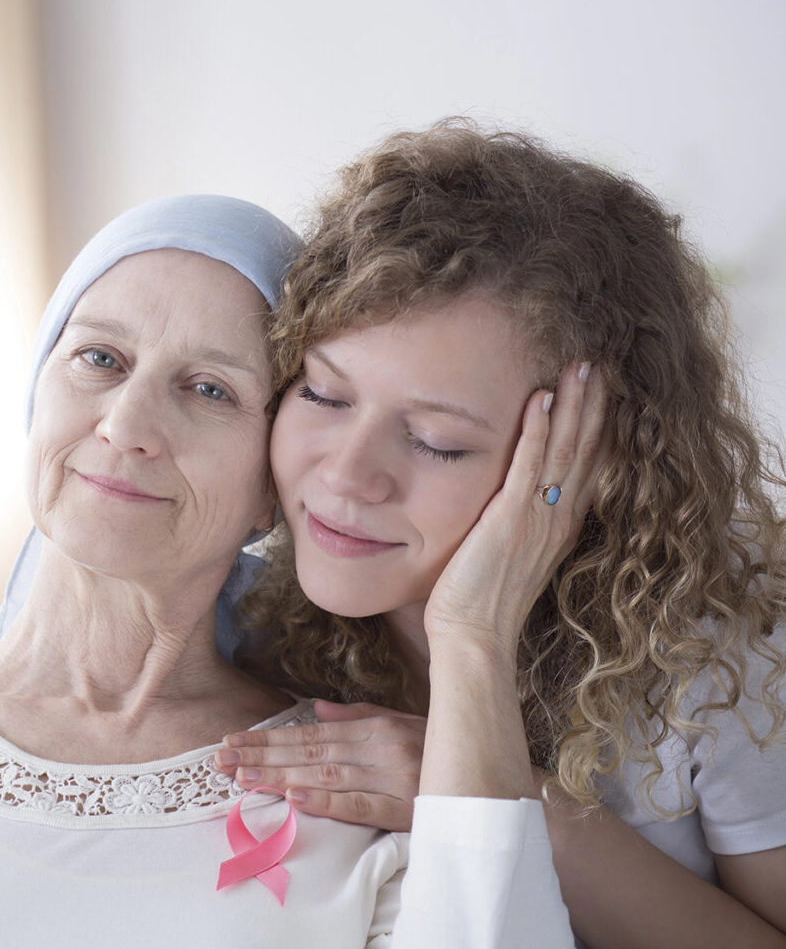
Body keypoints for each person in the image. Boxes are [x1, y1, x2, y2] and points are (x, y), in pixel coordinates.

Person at [0, 192, 577, 947]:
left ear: (273, 486)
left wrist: (474, 633)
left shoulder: (359, 789)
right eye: (99, 357)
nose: (127, 425)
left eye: (208, 389)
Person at [216, 123, 786, 948]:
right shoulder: (247, 626)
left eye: (436, 441)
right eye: (324, 397)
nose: (345, 476)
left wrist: (505, 797)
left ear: (593, 462)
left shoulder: (722, 658)